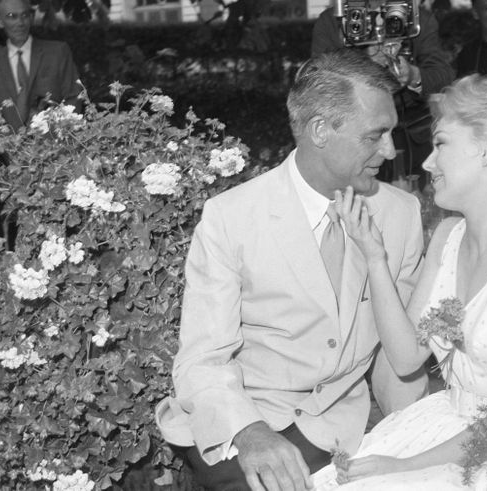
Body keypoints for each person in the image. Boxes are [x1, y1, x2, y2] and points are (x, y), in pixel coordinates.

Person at [155, 49, 428, 491]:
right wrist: (250, 433)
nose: (390, 150)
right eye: (375, 135)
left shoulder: (400, 215)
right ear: (321, 130)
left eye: (391, 134)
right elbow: (202, 360)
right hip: (245, 418)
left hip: (339, 424)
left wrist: (409, 443)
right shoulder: (232, 217)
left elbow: (397, 357)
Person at [311, 74, 487, 490]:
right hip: (441, 422)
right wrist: (374, 256)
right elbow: (405, 358)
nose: (426, 163)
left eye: (440, 144)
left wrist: (407, 467)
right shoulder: (447, 235)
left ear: (485, 149)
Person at [311, 0, 454, 180]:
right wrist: (361, 67)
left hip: (411, 143)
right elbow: (315, 84)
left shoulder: (419, 19)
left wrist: (411, 75)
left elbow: (444, 76)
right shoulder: (332, 23)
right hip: (353, 146)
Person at [0, 0, 83, 130]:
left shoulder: (57, 52)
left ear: (31, 17)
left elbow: (74, 98)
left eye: (25, 15)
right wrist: (10, 146)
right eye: (11, 16)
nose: (20, 22)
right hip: (11, 148)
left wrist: (58, 139)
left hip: (56, 146)